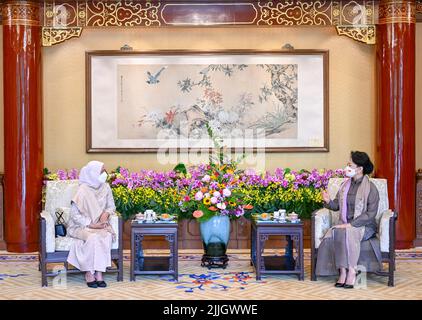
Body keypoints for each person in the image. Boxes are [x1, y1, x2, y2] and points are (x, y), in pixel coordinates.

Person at [315, 151, 382, 289]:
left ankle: (352, 270)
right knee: (338, 232)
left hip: (365, 226)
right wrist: (327, 201)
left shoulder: (371, 188)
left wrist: (350, 224)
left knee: (350, 232)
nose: (347, 167)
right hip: (345, 224)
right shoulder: (345, 185)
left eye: (350, 164)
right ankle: (343, 271)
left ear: (359, 169)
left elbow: (370, 214)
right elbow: (336, 206)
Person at [67, 161, 116, 288]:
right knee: (93, 237)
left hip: (101, 224)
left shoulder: (106, 187)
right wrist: (91, 225)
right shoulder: (82, 190)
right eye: (101, 171)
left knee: (105, 236)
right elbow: (74, 216)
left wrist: (106, 213)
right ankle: (89, 272)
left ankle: (99, 273)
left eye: (105, 171)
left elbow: (111, 206)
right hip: (81, 226)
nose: (105, 174)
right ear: (93, 174)